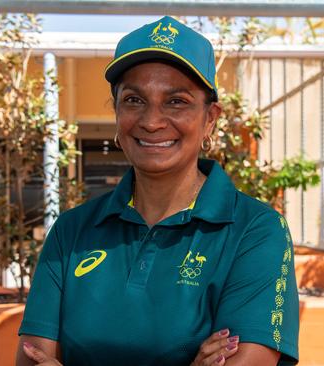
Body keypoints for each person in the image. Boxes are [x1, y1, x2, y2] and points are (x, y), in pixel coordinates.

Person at [16, 16, 299, 366]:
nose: (151, 121)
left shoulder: (256, 231)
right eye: (134, 100)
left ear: (210, 118)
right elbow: (32, 359)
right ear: (117, 112)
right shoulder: (71, 232)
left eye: (176, 101)